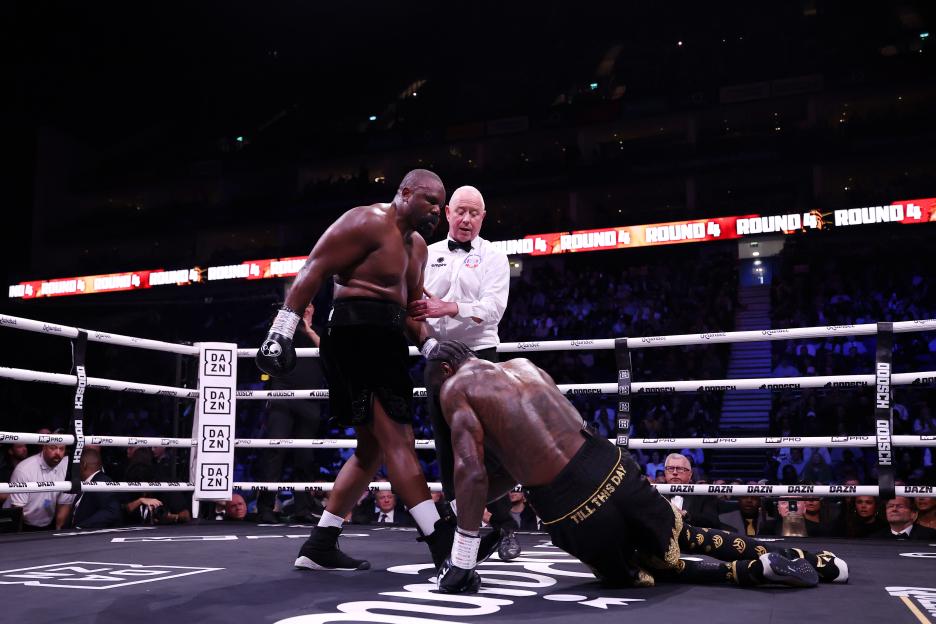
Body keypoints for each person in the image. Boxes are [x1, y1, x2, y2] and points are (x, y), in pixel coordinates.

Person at [425, 341, 848, 594]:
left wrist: (462, 560)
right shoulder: (524, 367)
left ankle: (748, 571)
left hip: (572, 504)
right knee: (682, 532)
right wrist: (471, 499)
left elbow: (474, 471)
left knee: (645, 570)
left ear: (446, 369)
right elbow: (534, 456)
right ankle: (809, 557)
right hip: (611, 464)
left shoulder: (455, 386)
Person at [256, 169, 452, 571]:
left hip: (389, 338)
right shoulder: (365, 220)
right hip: (355, 334)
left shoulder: (418, 249)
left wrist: (432, 346)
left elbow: (412, 309)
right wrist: (281, 332)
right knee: (398, 437)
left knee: (373, 448)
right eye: (430, 200)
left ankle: (321, 542)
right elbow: (314, 267)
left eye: (440, 204)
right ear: (406, 192)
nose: (437, 210)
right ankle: (442, 543)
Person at [406, 185, 517, 558]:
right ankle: (460, 527)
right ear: (448, 213)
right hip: (437, 356)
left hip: (480, 355)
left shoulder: (494, 257)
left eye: (475, 213)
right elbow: (413, 304)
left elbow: (492, 310)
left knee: (490, 443)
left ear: (483, 217)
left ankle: (504, 525)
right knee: (446, 444)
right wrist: (429, 334)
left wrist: (448, 308)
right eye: (461, 212)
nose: (467, 219)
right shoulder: (426, 252)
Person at [256, 305, 325, 524]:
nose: (305, 310)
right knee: (274, 452)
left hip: (310, 400)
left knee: (305, 457)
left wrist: (309, 330)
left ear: (313, 311)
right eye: (301, 307)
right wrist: (285, 323)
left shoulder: (321, 331)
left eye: (309, 307)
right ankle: (266, 508)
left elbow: (330, 355)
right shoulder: (281, 331)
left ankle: (302, 508)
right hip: (283, 397)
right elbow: (268, 350)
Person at [6, 438, 75, 530]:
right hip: (22, 522)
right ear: (44, 447)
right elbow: (17, 510)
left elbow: (64, 503)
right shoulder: (24, 470)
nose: (58, 453)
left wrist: (59, 532)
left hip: (48, 522)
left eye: (61, 449)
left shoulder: (66, 467)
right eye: (53, 448)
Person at [662, 453, 719, 528]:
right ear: (665, 473)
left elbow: (713, 523)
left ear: (690, 474)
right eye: (670, 468)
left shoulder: (703, 495)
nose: (675, 472)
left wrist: (686, 515)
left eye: (680, 469)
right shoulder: (655, 495)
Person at [71, 448, 123, 529]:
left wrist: (81, 527)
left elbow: (112, 511)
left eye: (77, 465)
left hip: (90, 537)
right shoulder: (89, 482)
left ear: (83, 465)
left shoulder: (102, 482)